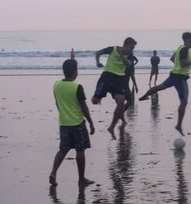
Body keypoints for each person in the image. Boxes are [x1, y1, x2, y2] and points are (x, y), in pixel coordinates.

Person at [138, 32, 191, 136]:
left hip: (174, 75)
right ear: (186, 40)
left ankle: (144, 96)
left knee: (160, 87)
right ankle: (179, 125)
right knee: (184, 102)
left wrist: (178, 66)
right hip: (180, 78)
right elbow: (182, 63)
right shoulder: (184, 49)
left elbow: (173, 59)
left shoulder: (180, 48)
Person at [50, 59, 95, 187]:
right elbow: (84, 107)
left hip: (64, 123)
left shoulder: (57, 85)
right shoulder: (77, 87)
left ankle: (53, 172)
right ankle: (81, 178)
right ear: (75, 72)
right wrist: (91, 122)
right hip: (77, 122)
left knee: (63, 149)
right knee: (80, 151)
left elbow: (57, 103)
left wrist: (63, 113)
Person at [91, 37, 137, 140]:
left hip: (119, 79)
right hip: (107, 76)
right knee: (95, 101)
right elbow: (98, 53)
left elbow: (127, 63)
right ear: (125, 45)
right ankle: (98, 96)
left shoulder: (130, 55)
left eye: (133, 48)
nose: (132, 50)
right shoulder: (113, 49)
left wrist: (122, 56)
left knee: (121, 102)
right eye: (131, 47)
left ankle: (111, 127)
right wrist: (97, 62)